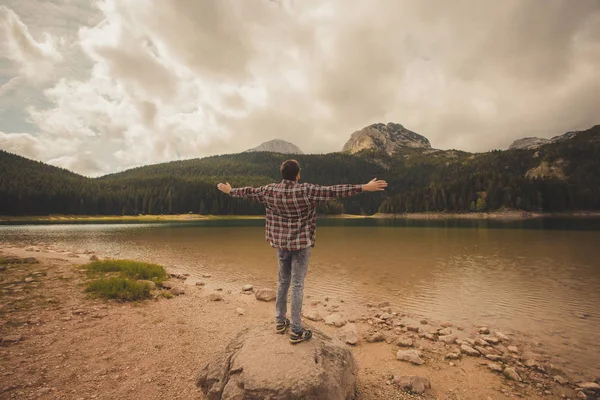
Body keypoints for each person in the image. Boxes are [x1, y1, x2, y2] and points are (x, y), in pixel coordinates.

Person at [217, 159, 387, 344]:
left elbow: (248, 192)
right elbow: (334, 190)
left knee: (283, 282)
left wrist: (230, 191)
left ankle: (280, 322)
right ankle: (296, 330)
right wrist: (364, 187)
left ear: (282, 174)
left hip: (281, 244)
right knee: (297, 284)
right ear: (298, 174)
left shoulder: (269, 190)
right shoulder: (306, 190)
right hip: (301, 244)